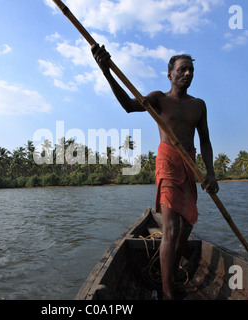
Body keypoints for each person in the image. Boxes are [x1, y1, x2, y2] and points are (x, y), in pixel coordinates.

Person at [91, 44, 219, 300]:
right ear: (170, 74)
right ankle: (167, 291)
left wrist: (211, 173)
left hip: (189, 165)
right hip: (168, 163)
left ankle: (169, 275)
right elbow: (128, 105)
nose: (187, 74)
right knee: (170, 228)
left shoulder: (199, 105)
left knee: (187, 226)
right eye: (182, 70)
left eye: (191, 70)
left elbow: (205, 140)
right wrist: (106, 71)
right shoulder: (159, 99)